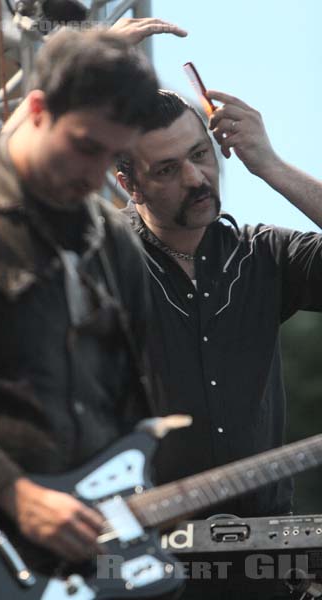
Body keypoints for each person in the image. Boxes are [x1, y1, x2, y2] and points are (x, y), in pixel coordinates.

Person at [0, 22, 193, 567]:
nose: (97, 177)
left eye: (114, 157)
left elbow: (129, 399)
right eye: (85, 147)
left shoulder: (114, 240)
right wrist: (14, 494)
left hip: (88, 556)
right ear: (39, 110)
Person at [117, 89, 322, 597]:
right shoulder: (99, 261)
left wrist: (270, 165)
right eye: (166, 169)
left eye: (200, 155)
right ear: (128, 183)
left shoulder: (265, 254)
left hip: (266, 565)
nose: (195, 179)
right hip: (140, 563)